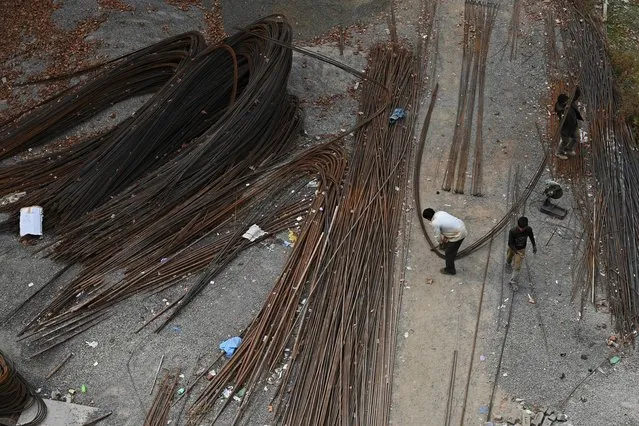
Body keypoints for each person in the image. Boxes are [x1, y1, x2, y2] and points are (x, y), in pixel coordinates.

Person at [423, 208, 467, 275]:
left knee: (449, 253)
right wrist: (445, 238)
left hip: (459, 234)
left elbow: (437, 236)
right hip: (461, 226)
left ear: (428, 218)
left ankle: (450, 270)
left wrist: (440, 242)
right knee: (447, 241)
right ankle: (445, 246)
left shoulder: (435, 223)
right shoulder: (440, 212)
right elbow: (447, 225)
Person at [506, 216, 537, 290]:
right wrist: (516, 252)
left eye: (523, 228)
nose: (521, 230)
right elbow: (510, 243)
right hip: (513, 248)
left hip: (521, 249)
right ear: (517, 225)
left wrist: (534, 245)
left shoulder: (529, 229)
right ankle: (508, 263)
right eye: (520, 228)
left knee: (517, 266)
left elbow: (531, 237)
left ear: (526, 226)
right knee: (509, 257)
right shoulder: (512, 231)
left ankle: (512, 281)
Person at [554, 87, 584, 160]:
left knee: (576, 138)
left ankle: (568, 149)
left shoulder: (569, 102)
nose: (568, 102)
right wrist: (565, 109)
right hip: (566, 128)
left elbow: (575, 97)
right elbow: (559, 111)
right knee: (565, 141)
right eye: (566, 102)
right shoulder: (560, 109)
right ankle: (558, 152)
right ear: (562, 103)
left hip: (573, 124)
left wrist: (577, 90)